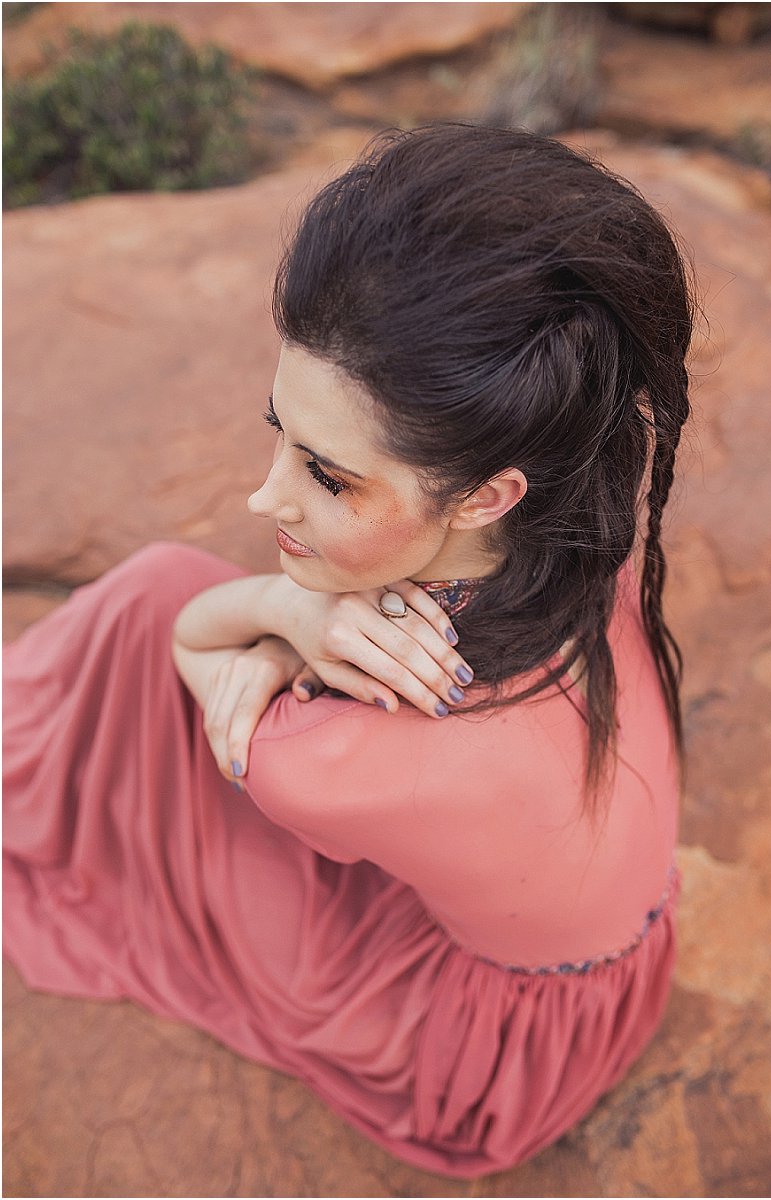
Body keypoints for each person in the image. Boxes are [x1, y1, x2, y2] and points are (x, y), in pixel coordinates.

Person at [4, 123, 693, 1180]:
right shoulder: (588, 539)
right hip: (607, 975)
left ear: (487, 494)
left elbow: (192, 645)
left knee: (155, 599)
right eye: (277, 430)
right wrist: (305, 619)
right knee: (165, 594)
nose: (264, 495)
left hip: (466, 1053)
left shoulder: (323, 765)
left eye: (327, 475)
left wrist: (278, 609)